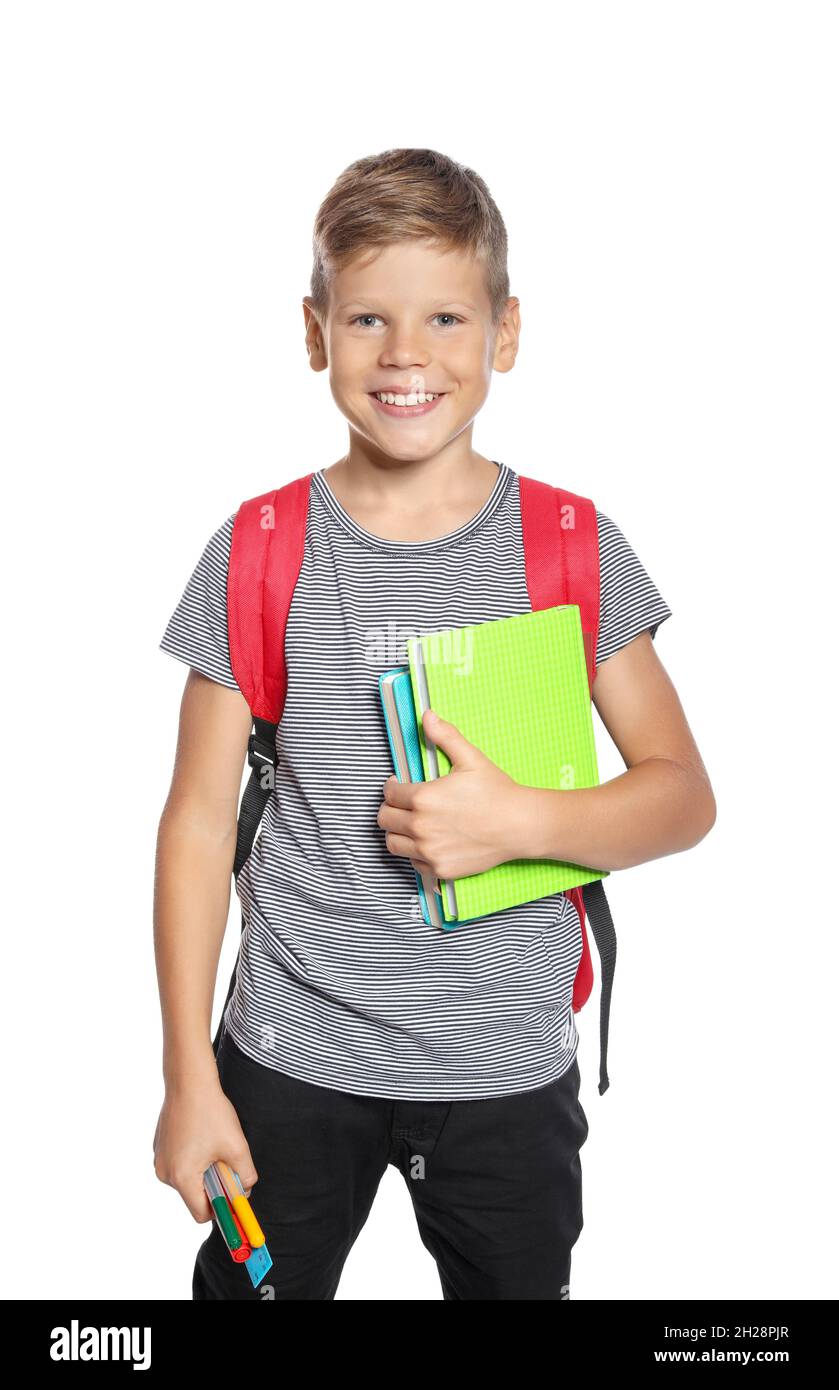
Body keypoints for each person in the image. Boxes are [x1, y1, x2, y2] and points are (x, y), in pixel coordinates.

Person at [152, 147, 716, 1301]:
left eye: (446, 316)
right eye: (366, 317)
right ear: (313, 333)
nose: (405, 354)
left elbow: (681, 794)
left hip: (504, 1070)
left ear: (504, 335)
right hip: (286, 1062)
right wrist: (185, 1079)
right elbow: (198, 826)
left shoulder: (568, 546)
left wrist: (521, 821)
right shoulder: (261, 550)